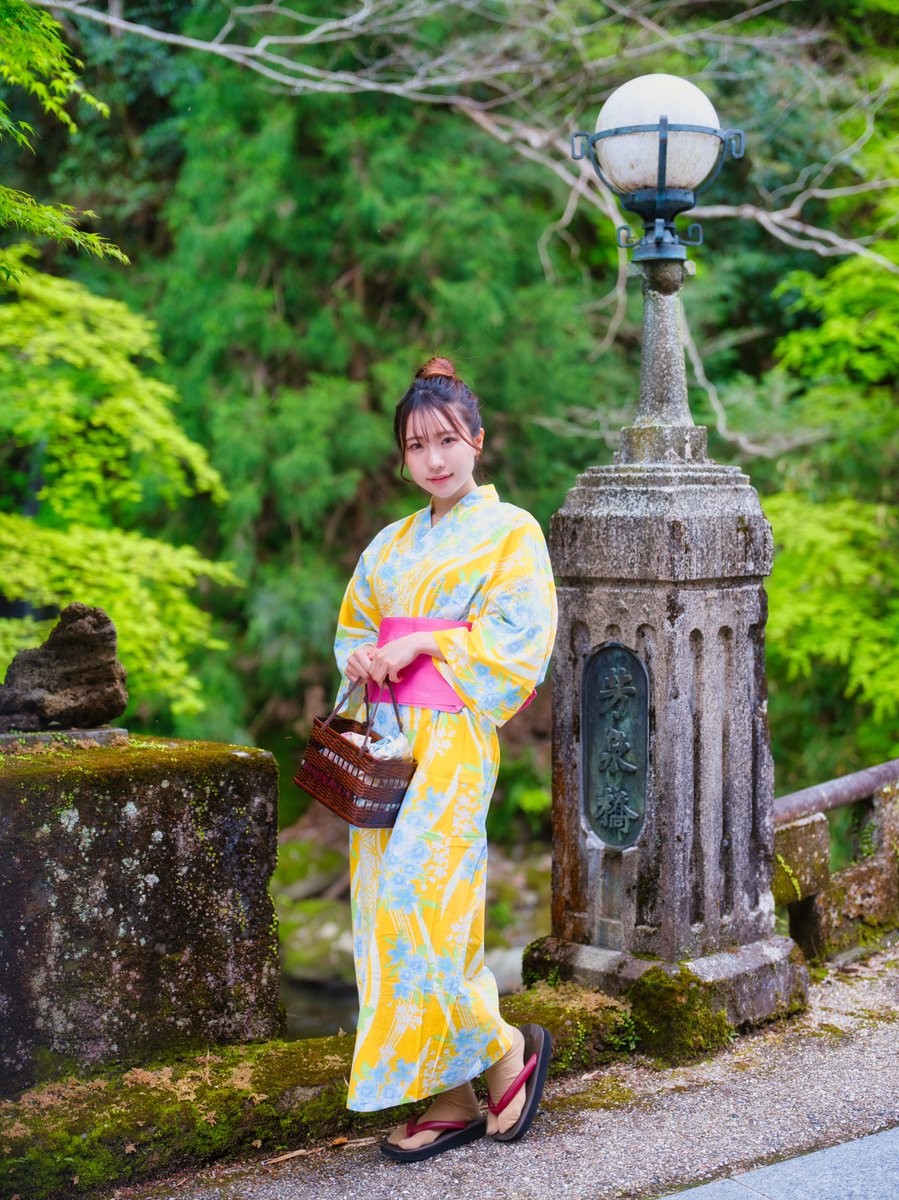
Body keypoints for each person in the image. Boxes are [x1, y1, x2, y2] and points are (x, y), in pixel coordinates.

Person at [332, 356, 558, 1162]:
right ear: (403, 456)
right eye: (417, 445)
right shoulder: (391, 545)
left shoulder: (512, 532)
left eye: (448, 440)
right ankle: (454, 1093)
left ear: (479, 442)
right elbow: (356, 628)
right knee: (383, 920)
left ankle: (503, 1052)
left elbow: (520, 640)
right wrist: (360, 661)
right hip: (390, 740)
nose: (434, 458)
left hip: (454, 737)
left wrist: (429, 639)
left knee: (421, 902)